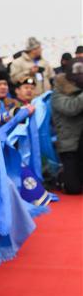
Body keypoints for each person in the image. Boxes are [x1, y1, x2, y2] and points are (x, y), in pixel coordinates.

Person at [51, 57, 83, 194]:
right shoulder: (59, 90)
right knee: (73, 188)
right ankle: (61, 175)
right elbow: (70, 108)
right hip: (71, 144)